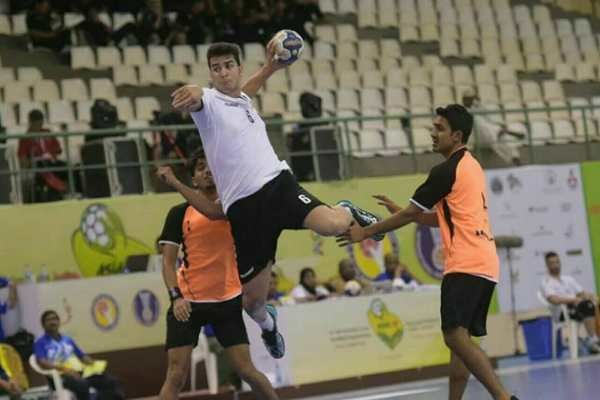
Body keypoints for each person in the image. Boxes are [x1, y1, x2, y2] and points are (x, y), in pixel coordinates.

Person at [157, 40, 382, 359]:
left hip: (278, 186)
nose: (222, 73)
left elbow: (246, 90)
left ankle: (346, 209)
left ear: (238, 68)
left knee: (332, 225)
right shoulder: (208, 105)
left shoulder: (242, 101)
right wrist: (192, 92)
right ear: (210, 74)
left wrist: (271, 68)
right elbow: (198, 96)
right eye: (216, 68)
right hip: (244, 213)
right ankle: (268, 325)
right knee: (253, 304)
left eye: (228, 66)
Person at [337, 105, 518, 400]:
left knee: (453, 336)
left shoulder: (446, 171)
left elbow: (410, 213)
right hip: (485, 262)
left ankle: (504, 398)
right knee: (460, 344)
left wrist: (366, 232)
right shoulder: (471, 165)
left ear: (457, 135)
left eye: (439, 129)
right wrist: (410, 214)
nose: (432, 134)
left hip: (466, 263)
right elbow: (442, 217)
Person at [158, 149, 279, 400]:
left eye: (212, 166)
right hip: (187, 304)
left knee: (247, 370)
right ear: (194, 179)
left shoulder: (233, 208)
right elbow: (168, 262)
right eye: (201, 167)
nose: (208, 172)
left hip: (227, 300)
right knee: (176, 374)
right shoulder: (178, 214)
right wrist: (175, 297)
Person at [34, 310, 124, 400]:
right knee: (82, 384)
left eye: (55, 319)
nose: (52, 322)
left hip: (79, 372)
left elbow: (81, 355)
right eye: (49, 320)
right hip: (61, 375)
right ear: (43, 324)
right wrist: (64, 369)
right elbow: (42, 362)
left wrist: (91, 363)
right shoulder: (40, 342)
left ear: (58, 322)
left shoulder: (67, 339)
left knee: (110, 381)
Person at [540, 251, 600, 353]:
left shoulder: (568, 279)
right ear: (547, 265)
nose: (556, 265)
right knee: (587, 305)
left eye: (557, 262)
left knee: (593, 303)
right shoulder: (546, 282)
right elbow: (554, 300)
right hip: (562, 313)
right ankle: (593, 340)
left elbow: (581, 293)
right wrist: (573, 300)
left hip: (577, 307)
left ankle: (588, 340)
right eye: (552, 263)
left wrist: (592, 296)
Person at [18, 109, 68, 202]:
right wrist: (30, 161)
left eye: (40, 124)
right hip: (38, 164)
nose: (39, 127)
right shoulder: (25, 139)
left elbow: (58, 149)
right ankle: (60, 190)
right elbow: (23, 159)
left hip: (51, 161)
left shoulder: (47, 132)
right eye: (37, 124)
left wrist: (51, 153)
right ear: (31, 122)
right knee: (43, 167)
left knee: (71, 168)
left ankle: (73, 193)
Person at [462, 89, 523, 166]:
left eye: (471, 98)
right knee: (477, 120)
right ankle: (503, 132)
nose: (470, 101)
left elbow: (490, 118)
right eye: (468, 99)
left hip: (489, 137)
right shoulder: (462, 111)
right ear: (464, 100)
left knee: (504, 139)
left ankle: (516, 159)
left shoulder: (477, 107)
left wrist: (479, 104)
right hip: (476, 139)